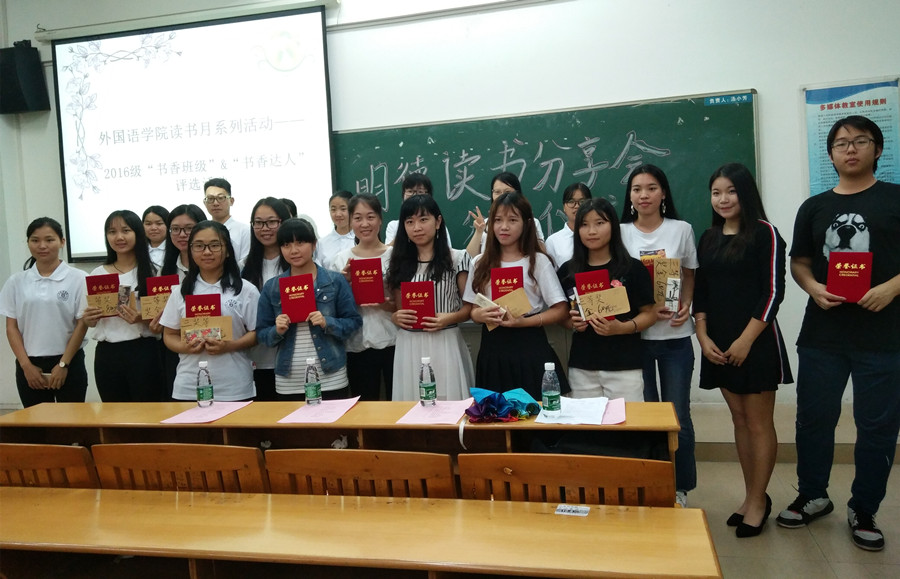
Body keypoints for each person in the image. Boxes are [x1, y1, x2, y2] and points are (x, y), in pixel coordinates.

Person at [777, 115, 900, 552]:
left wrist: (891, 287)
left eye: (860, 141)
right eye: (841, 143)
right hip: (823, 334)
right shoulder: (814, 207)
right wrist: (812, 287)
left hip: (883, 336)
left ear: (877, 149)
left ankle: (864, 508)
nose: (850, 149)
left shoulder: (895, 198)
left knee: (877, 427)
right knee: (813, 419)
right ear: (830, 154)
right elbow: (799, 262)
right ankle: (813, 495)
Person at [694, 163, 792, 538]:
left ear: (745, 193)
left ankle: (758, 501)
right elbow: (701, 291)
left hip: (756, 341)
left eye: (731, 191)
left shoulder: (765, 233)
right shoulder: (708, 237)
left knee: (758, 422)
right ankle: (752, 496)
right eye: (716, 192)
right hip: (718, 343)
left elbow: (773, 293)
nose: (723, 199)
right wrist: (702, 335)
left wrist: (746, 340)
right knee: (739, 420)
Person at [619, 164, 698, 506]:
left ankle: (680, 486)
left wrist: (687, 303)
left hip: (675, 337)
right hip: (635, 338)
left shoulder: (681, 229)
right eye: (637, 189)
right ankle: (653, 483)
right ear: (630, 196)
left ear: (663, 192)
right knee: (646, 416)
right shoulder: (620, 232)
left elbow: (690, 273)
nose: (644, 195)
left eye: (651, 188)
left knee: (678, 415)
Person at [463, 191, 568, 400]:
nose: (504, 227)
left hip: (530, 344)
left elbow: (560, 309)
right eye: (498, 220)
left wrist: (523, 322)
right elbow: (472, 310)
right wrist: (479, 315)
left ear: (526, 224)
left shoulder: (538, 261)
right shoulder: (480, 262)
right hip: (493, 346)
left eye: (512, 220)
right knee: (496, 413)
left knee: (535, 411)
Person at [557, 198, 655, 401]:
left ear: (613, 226)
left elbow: (650, 314)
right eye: (584, 224)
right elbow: (562, 315)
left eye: (600, 223)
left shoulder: (632, 268)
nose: (591, 231)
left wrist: (622, 328)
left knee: (627, 420)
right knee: (585, 420)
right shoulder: (568, 271)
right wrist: (572, 323)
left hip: (625, 366)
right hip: (582, 366)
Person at [257, 218, 362, 400]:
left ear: (314, 244)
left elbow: (353, 322)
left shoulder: (334, 281)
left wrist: (327, 322)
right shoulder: (272, 287)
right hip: (289, 381)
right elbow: (261, 334)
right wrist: (277, 330)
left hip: (331, 376)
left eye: (300, 243)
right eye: (286, 245)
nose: (293, 250)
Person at [160, 221, 259, 401]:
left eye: (214, 245)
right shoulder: (180, 291)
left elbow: (256, 333)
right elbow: (169, 334)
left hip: (234, 385)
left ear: (227, 250)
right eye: (199, 246)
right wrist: (185, 347)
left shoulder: (246, 290)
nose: (206, 252)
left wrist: (229, 346)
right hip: (189, 385)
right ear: (191, 250)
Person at [388, 195, 474, 401]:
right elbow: (398, 309)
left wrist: (449, 318)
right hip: (409, 344)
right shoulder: (398, 261)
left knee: (448, 405)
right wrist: (395, 317)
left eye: (423, 219)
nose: (416, 227)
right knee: (411, 404)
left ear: (438, 222)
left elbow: (469, 308)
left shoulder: (457, 258)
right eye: (410, 222)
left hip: (445, 340)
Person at [1, 218, 88, 407]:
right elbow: (11, 328)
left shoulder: (79, 278)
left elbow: (82, 324)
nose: (42, 246)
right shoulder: (16, 282)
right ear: (28, 243)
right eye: (35, 240)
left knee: (73, 421)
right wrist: (26, 366)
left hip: (69, 362)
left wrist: (63, 364)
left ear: (62, 242)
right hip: (29, 365)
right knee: (36, 423)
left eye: (49, 240)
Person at [81, 210, 163, 402]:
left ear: (137, 233)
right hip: (108, 354)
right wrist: (88, 319)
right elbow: (90, 322)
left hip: (144, 351)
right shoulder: (97, 274)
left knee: (148, 412)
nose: (119, 237)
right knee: (114, 413)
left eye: (126, 231)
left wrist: (141, 318)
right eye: (112, 232)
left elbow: (165, 320)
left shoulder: (154, 272)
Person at [328, 194, 397, 400]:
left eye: (370, 217)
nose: (364, 224)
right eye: (358, 218)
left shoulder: (395, 256)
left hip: (395, 341)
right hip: (356, 345)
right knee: (365, 406)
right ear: (351, 221)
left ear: (380, 220)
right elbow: (332, 310)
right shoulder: (340, 260)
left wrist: (387, 304)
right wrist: (344, 285)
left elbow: (408, 303)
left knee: (398, 403)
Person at [241, 197, 291, 401]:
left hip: (292, 354)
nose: (265, 229)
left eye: (271, 222)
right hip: (257, 357)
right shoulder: (243, 266)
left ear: (284, 222)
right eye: (259, 223)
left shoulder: (298, 261)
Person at [158, 204, 207, 398]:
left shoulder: (214, 267)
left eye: (189, 228)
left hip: (213, 345)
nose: (182, 234)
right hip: (176, 348)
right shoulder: (164, 271)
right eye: (175, 229)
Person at [465, 172, 546, 258]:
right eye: (497, 192)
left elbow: (541, 254)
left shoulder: (531, 222)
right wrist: (479, 232)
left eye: (508, 192)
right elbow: (468, 258)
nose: (502, 196)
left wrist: (528, 229)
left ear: (517, 193)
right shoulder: (484, 223)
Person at [384, 173, 453, 247]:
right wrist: (403, 231)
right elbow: (388, 252)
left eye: (420, 192)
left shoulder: (435, 224)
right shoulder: (393, 226)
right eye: (410, 191)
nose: (414, 196)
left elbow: (447, 250)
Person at [203, 178, 251, 263]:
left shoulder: (245, 231)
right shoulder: (202, 231)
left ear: (231, 201)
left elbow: (245, 263)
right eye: (210, 199)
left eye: (221, 198)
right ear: (205, 203)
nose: (215, 203)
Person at [544, 182, 592, 269]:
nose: (577, 206)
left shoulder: (598, 235)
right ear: (564, 207)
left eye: (582, 201)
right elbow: (551, 274)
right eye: (571, 202)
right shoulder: (553, 241)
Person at [314, 190, 355, 266]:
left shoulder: (361, 240)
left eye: (343, 209)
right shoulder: (321, 243)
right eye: (333, 210)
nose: (338, 214)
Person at [142, 205, 170, 271]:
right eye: (148, 224)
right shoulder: (137, 250)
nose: (153, 228)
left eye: (159, 223)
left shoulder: (176, 249)